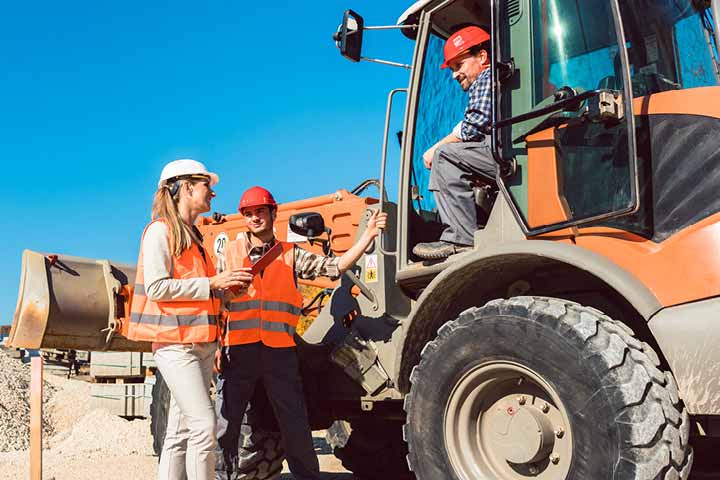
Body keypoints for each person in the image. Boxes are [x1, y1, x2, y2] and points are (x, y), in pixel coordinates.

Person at [215, 186, 387, 480]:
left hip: (279, 353)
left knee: (295, 423)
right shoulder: (228, 254)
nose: (255, 218)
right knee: (227, 424)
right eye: (249, 213)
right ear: (243, 217)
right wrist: (217, 345)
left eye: (260, 211)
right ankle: (223, 477)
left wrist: (368, 236)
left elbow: (334, 268)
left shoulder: (291, 254)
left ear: (273, 213)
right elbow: (216, 303)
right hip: (239, 350)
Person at [126, 159, 251, 480]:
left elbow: (201, 293)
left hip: (201, 345)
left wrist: (228, 291)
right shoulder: (159, 232)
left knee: (179, 433)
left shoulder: (195, 238)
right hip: (176, 346)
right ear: (186, 187)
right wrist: (213, 283)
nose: (213, 192)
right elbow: (157, 287)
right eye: (207, 185)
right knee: (203, 426)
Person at [412, 26, 499, 260]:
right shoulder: (502, 80)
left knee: (445, 156)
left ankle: (460, 237)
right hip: (506, 154)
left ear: (482, 57)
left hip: (506, 155)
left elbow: (474, 125)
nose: (454, 75)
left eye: (458, 65)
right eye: (451, 69)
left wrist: (435, 149)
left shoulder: (488, 76)